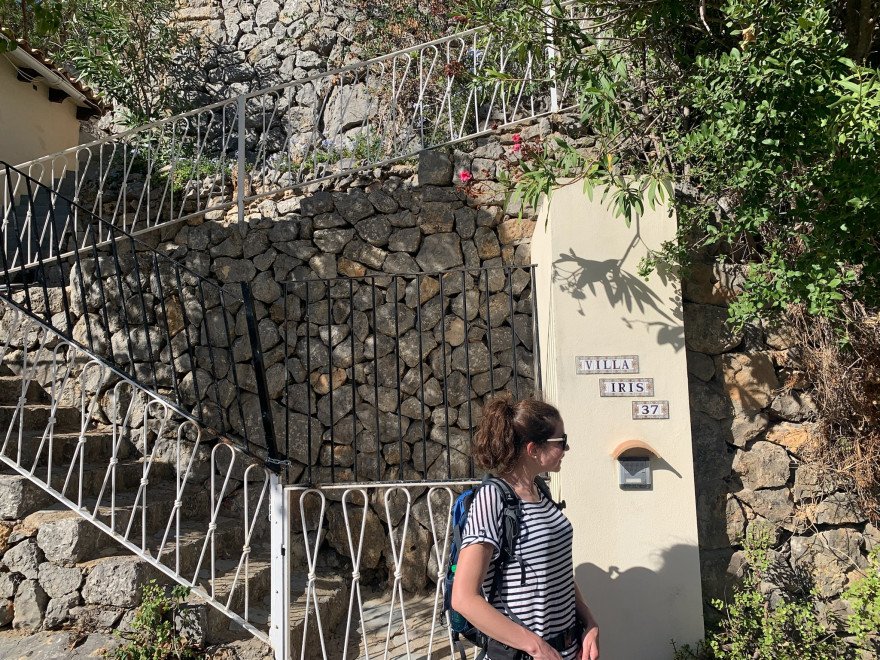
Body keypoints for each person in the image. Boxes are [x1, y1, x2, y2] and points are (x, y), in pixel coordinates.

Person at [451, 395, 600, 660]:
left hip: (567, 649)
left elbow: (555, 569)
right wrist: (535, 646)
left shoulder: (541, 491)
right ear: (533, 449)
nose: (567, 449)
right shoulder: (493, 499)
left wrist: (588, 622)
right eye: (561, 442)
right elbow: (463, 598)